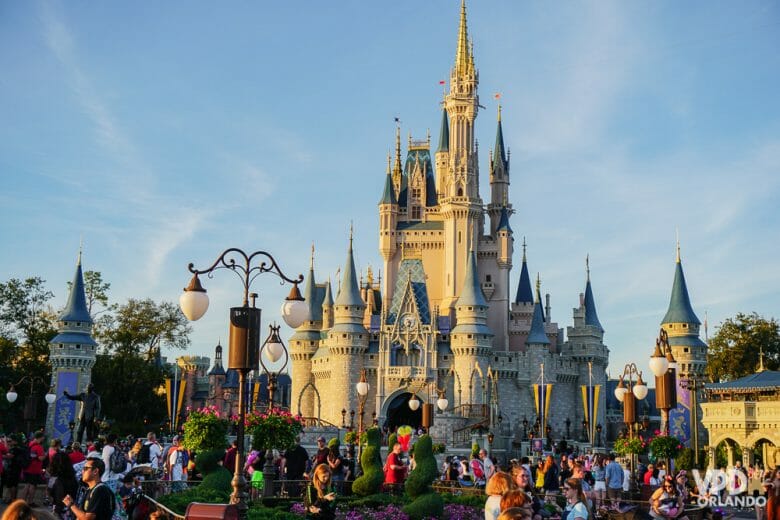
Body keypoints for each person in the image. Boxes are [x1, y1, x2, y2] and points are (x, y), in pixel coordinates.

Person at [48, 451, 79, 520]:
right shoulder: (73, 478)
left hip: (59, 511)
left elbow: (51, 495)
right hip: (70, 510)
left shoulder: (55, 479)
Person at [22, 431, 46, 506]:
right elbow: (41, 458)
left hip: (27, 468)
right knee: (33, 486)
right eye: (43, 437)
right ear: (41, 437)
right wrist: (45, 455)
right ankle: (30, 502)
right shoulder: (38, 447)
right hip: (34, 469)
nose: (44, 438)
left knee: (27, 485)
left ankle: (22, 502)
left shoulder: (30, 443)